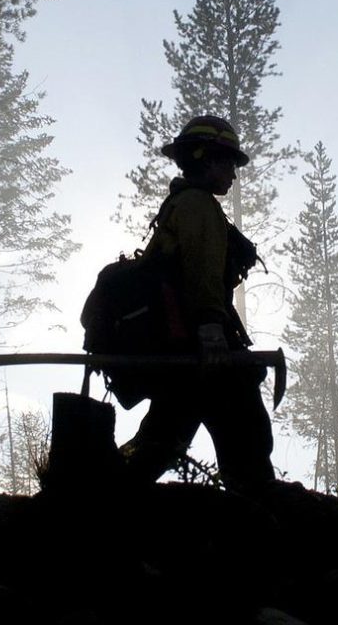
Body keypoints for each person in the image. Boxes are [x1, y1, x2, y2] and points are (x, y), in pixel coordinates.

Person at [115, 115, 275, 490]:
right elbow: (201, 271)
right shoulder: (198, 205)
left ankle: (101, 496)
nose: (233, 174)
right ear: (206, 158)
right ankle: (262, 508)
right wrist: (211, 329)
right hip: (201, 349)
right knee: (247, 435)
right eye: (228, 163)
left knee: (161, 439)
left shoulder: (180, 204)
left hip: (183, 350)